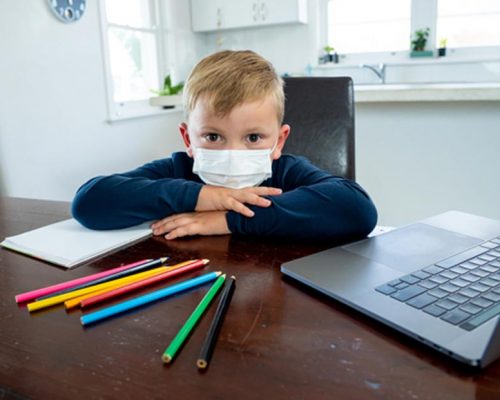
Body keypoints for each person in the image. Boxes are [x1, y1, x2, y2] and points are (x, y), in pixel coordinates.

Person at [72, 50, 377, 242]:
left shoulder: (286, 172)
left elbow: (357, 210)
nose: (234, 154)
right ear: (189, 139)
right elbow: (89, 202)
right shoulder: (179, 170)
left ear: (279, 140)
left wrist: (229, 219)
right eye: (214, 137)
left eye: (253, 138)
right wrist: (205, 196)